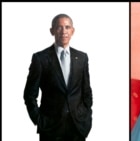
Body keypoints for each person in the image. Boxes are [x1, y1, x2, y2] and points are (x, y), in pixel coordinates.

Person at [24, 13, 93, 141]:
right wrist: (39, 120)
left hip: (77, 127)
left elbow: (86, 91)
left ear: (72, 31)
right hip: (50, 129)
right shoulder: (40, 59)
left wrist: (86, 117)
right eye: (59, 27)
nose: (63, 31)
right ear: (52, 31)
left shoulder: (82, 58)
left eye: (67, 27)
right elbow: (29, 94)